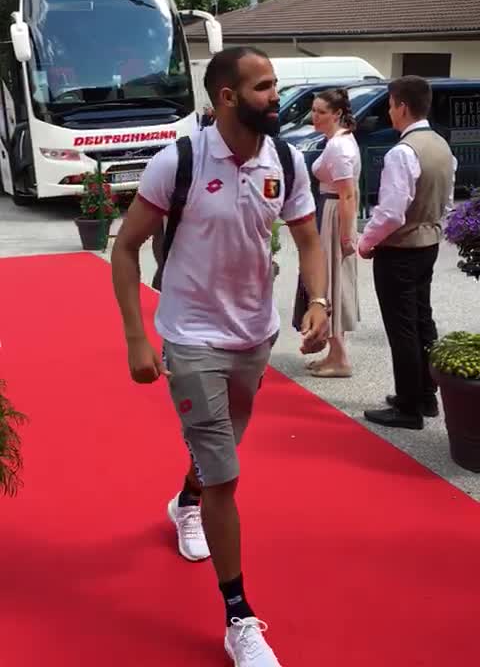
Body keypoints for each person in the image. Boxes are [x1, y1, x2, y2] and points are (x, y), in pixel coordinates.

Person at [111, 45, 330, 667]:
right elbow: (125, 250)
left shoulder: (285, 160)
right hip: (190, 337)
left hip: (253, 337)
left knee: (219, 456)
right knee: (226, 475)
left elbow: (308, 240)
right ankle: (239, 619)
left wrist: (318, 302)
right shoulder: (175, 163)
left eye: (276, 84)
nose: (275, 96)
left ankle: (185, 502)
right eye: (263, 87)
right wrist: (136, 336)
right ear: (227, 96)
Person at [358, 76, 456, 430]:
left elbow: (390, 212)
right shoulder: (441, 145)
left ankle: (408, 405)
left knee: (402, 328)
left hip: (400, 248)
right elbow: (446, 199)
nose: (389, 113)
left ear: (401, 106)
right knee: (421, 320)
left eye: (389, 105)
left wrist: (366, 242)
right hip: (428, 242)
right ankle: (427, 395)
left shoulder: (403, 151)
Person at [293, 88, 361, 377]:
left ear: (336, 114)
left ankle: (341, 358)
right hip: (330, 208)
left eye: (321, 111)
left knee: (330, 282)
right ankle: (335, 353)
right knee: (331, 281)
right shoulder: (337, 141)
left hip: (334, 212)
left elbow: (348, 194)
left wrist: (346, 236)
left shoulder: (339, 146)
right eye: (314, 110)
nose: (314, 116)